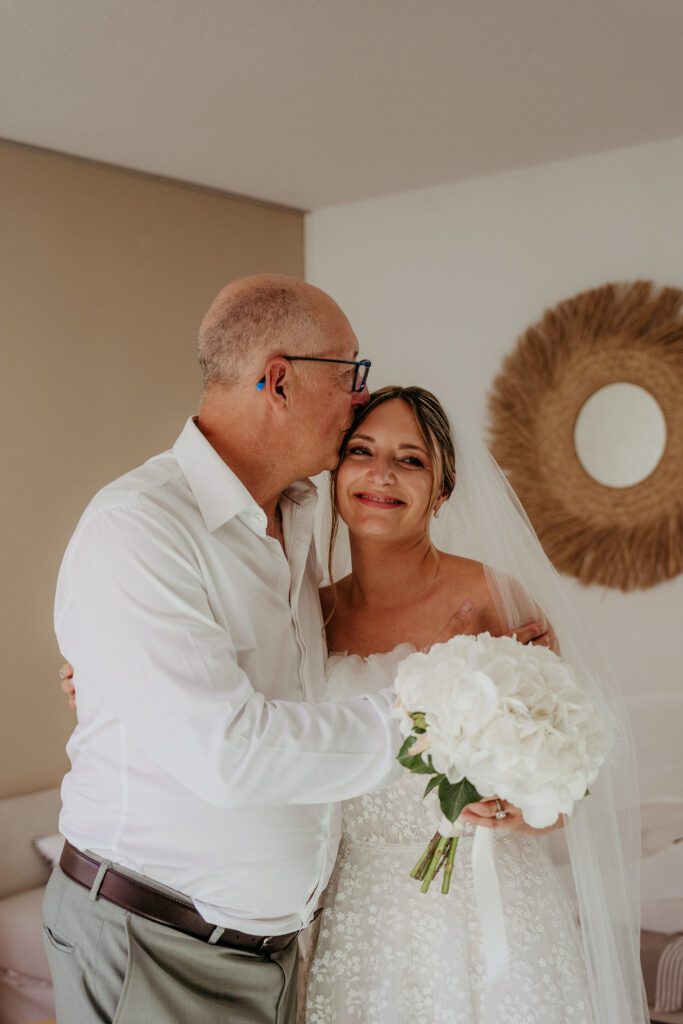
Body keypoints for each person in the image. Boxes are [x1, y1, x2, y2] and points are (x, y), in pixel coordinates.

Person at [50, 275, 550, 1024]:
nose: (360, 396)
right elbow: (231, 752)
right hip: (158, 945)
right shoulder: (139, 527)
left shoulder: (294, 520)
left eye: (410, 460)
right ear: (279, 381)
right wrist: (446, 707)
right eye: (351, 372)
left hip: (284, 954)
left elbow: (276, 685)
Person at [301, 385, 648, 1024]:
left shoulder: (490, 598)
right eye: (361, 451)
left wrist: (514, 813)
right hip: (355, 913)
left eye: (410, 460)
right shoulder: (309, 613)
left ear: (443, 490)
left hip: (484, 905)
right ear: (335, 469)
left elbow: (566, 779)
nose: (382, 474)